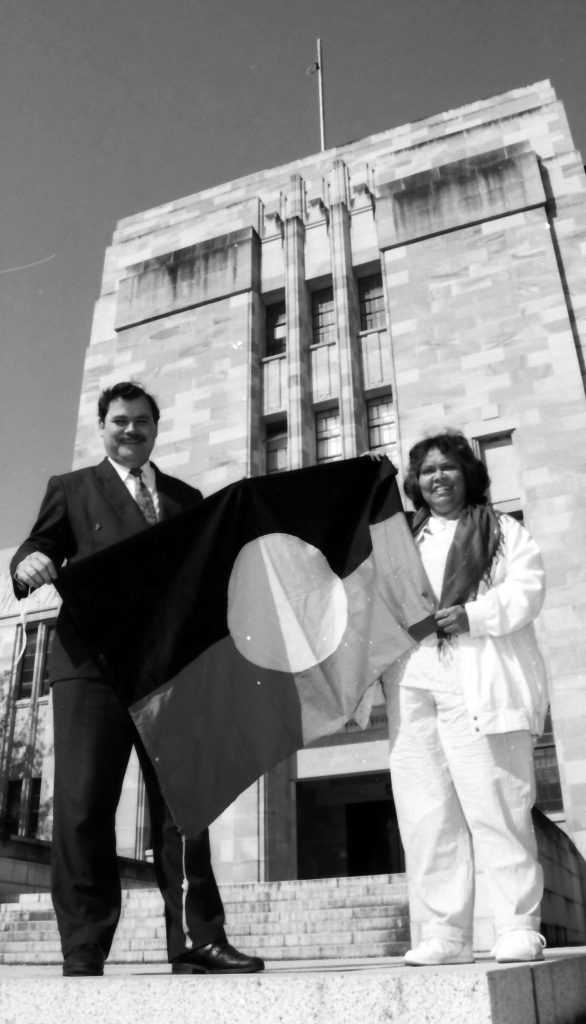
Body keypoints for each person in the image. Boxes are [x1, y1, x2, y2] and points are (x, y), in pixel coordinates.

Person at [11, 381, 264, 978]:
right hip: (91, 673)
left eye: (142, 421)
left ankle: (198, 939)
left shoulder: (185, 497)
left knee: (184, 808)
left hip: (168, 674)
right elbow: (38, 545)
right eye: (120, 421)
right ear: (102, 427)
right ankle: (84, 946)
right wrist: (28, 562)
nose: (131, 430)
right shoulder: (71, 489)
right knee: (82, 808)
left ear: (156, 428)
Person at [381, 430, 548, 966]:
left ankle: (518, 926)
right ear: (415, 481)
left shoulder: (502, 531)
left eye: (448, 468)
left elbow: (528, 590)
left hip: (479, 673)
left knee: (497, 804)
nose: (438, 478)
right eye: (427, 470)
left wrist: (473, 615)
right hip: (414, 680)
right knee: (426, 813)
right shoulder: (403, 538)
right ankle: (445, 935)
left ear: (468, 474)